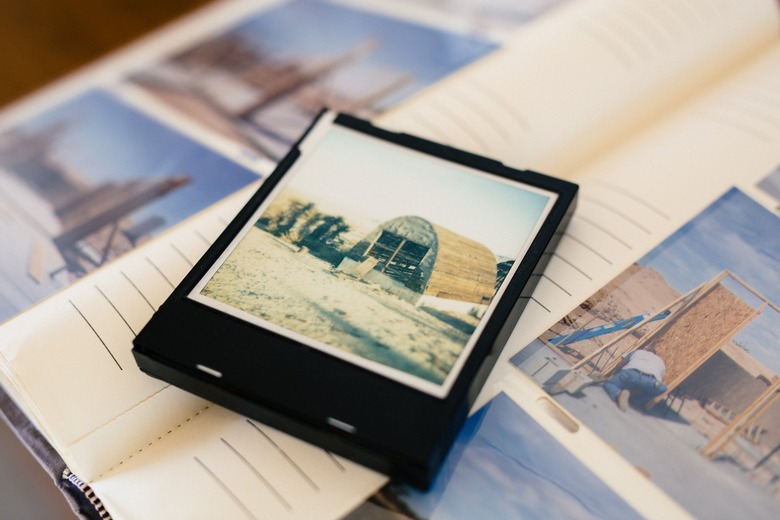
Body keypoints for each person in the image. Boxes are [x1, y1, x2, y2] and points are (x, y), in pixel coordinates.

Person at [602, 347, 667, 412]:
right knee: (663, 388)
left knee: (610, 383)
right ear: (654, 354)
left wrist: (614, 375)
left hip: (631, 374)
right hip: (650, 380)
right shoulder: (660, 361)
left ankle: (618, 394)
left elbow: (621, 364)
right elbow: (660, 378)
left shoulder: (637, 352)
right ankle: (635, 401)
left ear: (644, 350)